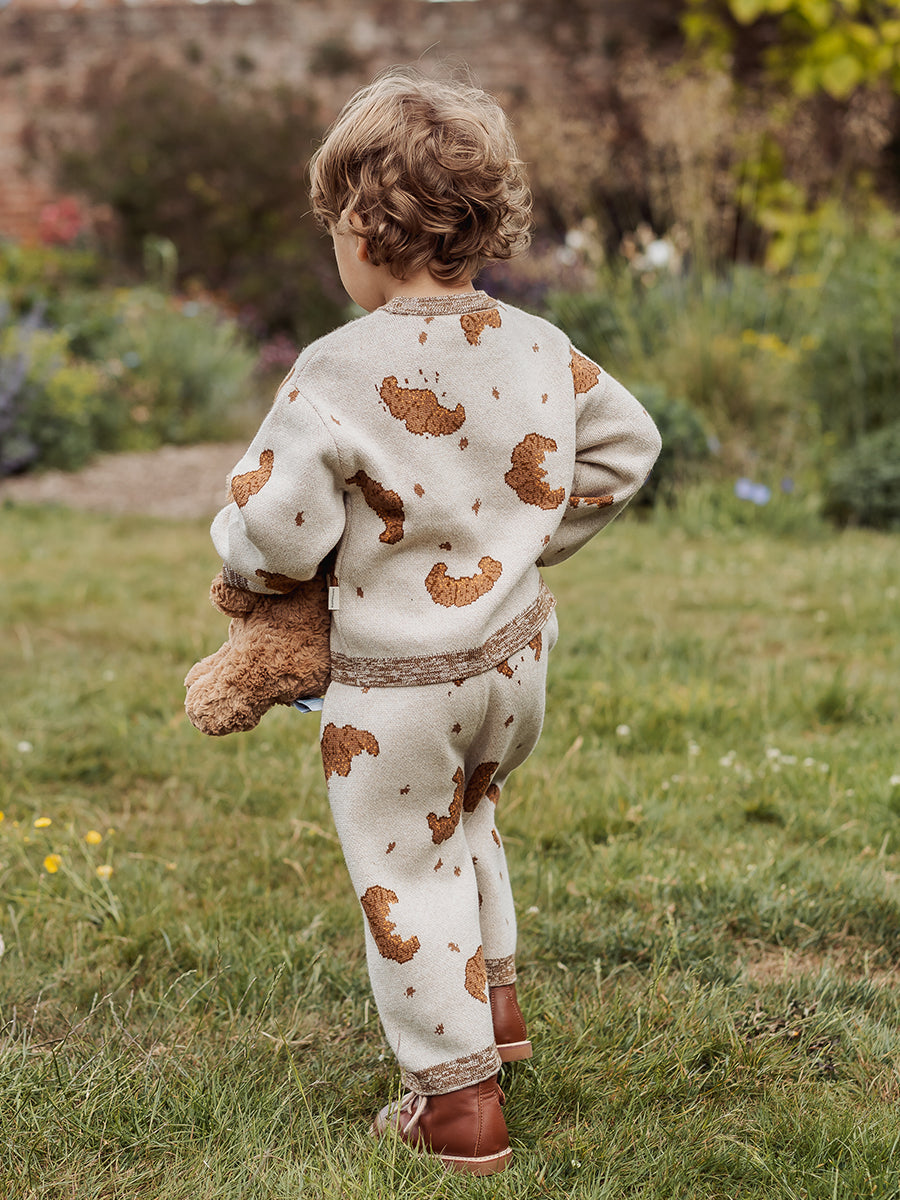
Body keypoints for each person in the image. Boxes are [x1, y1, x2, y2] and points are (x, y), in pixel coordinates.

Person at [209, 67, 661, 1175]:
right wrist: (529, 541)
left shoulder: (335, 370)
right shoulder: (537, 343)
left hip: (397, 690)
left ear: (363, 228)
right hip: (513, 663)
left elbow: (274, 529)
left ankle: (453, 1103)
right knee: (467, 816)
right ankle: (492, 1009)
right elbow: (627, 446)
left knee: (403, 866)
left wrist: (245, 568)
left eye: (335, 227)